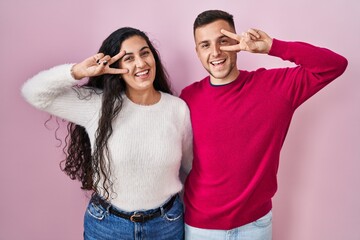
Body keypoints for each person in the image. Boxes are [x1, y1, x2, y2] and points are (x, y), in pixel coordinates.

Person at [180, 9, 348, 240]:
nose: (216, 52)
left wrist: (272, 47)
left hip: (255, 226)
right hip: (201, 228)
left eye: (224, 41)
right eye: (205, 45)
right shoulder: (188, 98)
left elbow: (334, 65)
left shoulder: (275, 87)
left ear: (237, 41)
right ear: (197, 52)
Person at [21, 27, 193, 240]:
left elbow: (191, 166)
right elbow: (32, 92)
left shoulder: (177, 109)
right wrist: (78, 71)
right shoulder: (99, 105)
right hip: (108, 226)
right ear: (116, 66)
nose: (141, 64)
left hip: (166, 224)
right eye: (128, 58)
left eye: (145, 53)